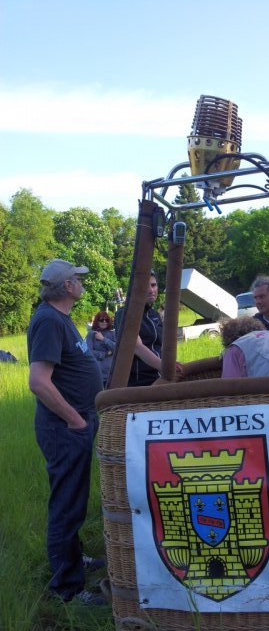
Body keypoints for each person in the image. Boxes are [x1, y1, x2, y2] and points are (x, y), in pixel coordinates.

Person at [27, 259, 107, 606]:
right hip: (64, 428)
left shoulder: (60, 318)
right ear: (66, 287)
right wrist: (76, 420)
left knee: (73, 499)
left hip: (75, 422)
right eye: (77, 278)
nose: (81, 281)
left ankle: (74, 559)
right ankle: (69, 590)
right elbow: (38, 382)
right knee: (66, 505)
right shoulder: (47, 320)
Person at [114, 270, 165, 386]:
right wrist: (167, 368)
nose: (151, 290)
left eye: (153, 285)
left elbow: (162, 346)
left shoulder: (154, 315)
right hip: (140, 382)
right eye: (145, 286)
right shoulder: (125, 313)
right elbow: (137, 347)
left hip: (160, 378)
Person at [86, 311, 116, 386]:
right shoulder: (91, 334)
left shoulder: (112, 334)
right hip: (96, 372)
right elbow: (88, 352)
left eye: (107, 320)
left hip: (110, 373)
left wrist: (103, 339)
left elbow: (117, 348)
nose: (104, 322)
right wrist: (104, 354)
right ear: (97, 321)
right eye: (102, 320)